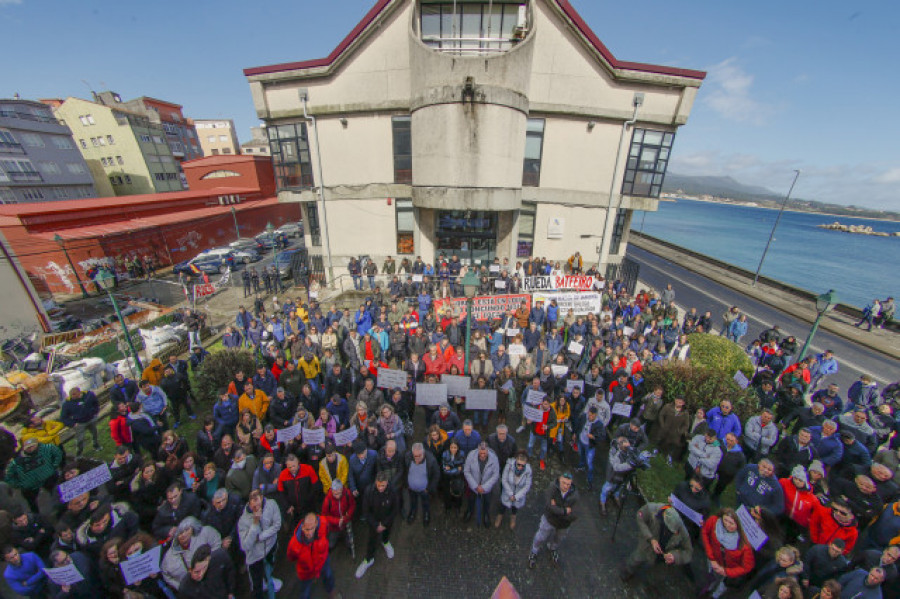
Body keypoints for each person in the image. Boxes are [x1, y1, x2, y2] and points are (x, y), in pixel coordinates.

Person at [620, 503, 693, 581]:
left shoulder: (683, 532)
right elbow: (640, 517)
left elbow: (688, 552)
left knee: (657, 573)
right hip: (647, 545)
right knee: (636, 559)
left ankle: (651, 583)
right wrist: (651, 538)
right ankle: (628, 571)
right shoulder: (652, 509)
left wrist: (674, 556)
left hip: (664, 553)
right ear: (664, 517)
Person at [700, 508, 755, 598]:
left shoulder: (744, 546)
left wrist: (726, 571)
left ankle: (714, 596)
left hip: (727, 570)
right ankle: (708, 588)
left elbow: (747, 566)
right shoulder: (714, 521)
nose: (727, 525)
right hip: (713, 562)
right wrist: (711, 558)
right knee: (710, 576)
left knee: (722, 585)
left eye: (732, 523)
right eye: (725, 520)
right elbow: (705, 532)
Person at [528, 472, 578, 569]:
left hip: (563, 524)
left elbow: (575, 515)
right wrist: (564, 511)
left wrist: (557, 510)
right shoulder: (552, 488)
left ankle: (552, 548)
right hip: (549, 519)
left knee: (558, 539)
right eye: (564, 483)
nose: (566, 486)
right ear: (559, 480)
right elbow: (550, 507)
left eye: (568, 484)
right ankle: (534, 552)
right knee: (540, 537)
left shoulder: (575, 496)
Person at [239, 489, 282, 599]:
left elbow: (277, 525)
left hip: (270, 547)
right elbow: (245, 546)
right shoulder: (243, 521)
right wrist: (255, 523)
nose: (256, 504)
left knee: (269, 572)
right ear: (249, 502)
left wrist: (261, 536)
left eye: (257, 500)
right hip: (255, 557)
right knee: (256, 587)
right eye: (252, 501)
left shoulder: (271, 505)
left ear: (262, 498)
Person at [355, 471, 399, 579]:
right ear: (375, 482)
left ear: (387, 483)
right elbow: (366, 510)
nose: (380, 488)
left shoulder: (393, 491)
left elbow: (395, 508)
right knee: (371, 540)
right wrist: (375, 525)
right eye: (378, 485)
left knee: (387, 533)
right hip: (373, 521)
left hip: (387, 520)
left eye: (383, 485)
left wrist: (384, 523)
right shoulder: (369, 491)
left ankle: (385, 542)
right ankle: (368, 559)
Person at [287, 512, 340, 599]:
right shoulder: (294, 543)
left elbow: (328, 525)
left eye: (311, 528)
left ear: (316, 524)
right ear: (302, 526)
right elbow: (291, 556)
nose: (309, 533)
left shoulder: (323, 523)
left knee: (328, 575)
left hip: (323, 561)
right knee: (305, 591)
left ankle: (331, 591)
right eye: (306, 529)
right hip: (306, 571)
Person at [5, 438, 62, 513]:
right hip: (30, 485)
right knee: (32, 504)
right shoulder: (16, 461)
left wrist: (54, 466)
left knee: (58, 493)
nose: (31, 449)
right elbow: (9, 477)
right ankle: (37, 518)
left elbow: (57, 454)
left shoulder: (45, 449)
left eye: (33, 446)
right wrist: (19, 485)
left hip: (48, 477)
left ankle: (62, 508)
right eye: (28, 447)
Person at [464, 441, 500, 528]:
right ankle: (470, 511)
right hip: (473, 486)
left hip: (486, 487)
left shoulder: (494, 458)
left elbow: (496, 475)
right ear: (478, 450)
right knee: (471, 499)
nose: (482, 455)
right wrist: (475, 486)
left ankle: (486, 515)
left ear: (488, 451)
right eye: (481, 453)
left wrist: (484, 487)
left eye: (484, 453)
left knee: (487, 501)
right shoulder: (471, 455)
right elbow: (466, 471)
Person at [599, 436, 638, 515]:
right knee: (606, 489)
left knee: (619, 488)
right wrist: (629, 465)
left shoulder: (629, 452)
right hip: (612, 476)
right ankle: (602, 503)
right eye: (625, 445)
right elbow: (616, 467)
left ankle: (616, 496)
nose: (627, 447)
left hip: (622, 477)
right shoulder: (615, 452)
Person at [404, 442, 440, 526]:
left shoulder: (431, 460)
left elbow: (436, 475)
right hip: (411, 489)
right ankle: (413, 512)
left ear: (423, 452)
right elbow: (404, 471)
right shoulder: (407, 457)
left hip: (424, 490)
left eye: (419, 456)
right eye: (415, 456)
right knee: (413, 501)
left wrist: (429, 489)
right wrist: (407, 483)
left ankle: (426, 515)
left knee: (426, 503)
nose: (417, 458)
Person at [59, 386, 101, 456]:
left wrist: (95, 412)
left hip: (91, 419)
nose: (73, 396)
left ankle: (96, 445)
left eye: (74, 394)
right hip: (79, 424)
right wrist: (72, 424)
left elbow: (96, 403)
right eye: (71, 394)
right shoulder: (67, 404)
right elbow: (63, 418)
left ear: (79, 393)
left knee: (95, 433)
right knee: (80, 439)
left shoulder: (89, 395)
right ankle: (79, 452)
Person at [496, 450, 532, 529]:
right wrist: (510, 494)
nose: (520, 467)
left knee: (515, 508)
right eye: (519, 464)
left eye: (523, 465)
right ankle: (500, 515)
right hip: (507, 492)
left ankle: (513, 518)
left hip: (518, 495)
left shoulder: (528, 471)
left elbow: (527, 486)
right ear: (516, 461)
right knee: (502, 505)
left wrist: (516, 496)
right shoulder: (509, 466)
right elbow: (504, 480)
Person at [321, 479, 356, 555]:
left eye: (339, 493)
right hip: (334, 527)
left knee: (349, 541)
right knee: (331, 543)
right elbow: (325, 516)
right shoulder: (327, 500)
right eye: (335, 494)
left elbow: (352, 505)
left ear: (342, 489)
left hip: (346, 523)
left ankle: (349, 545)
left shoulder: (347, 494)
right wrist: (337, 521)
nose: (337, 496)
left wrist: (347, 516)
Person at [574, 406, 605, 490]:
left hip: (589, 445)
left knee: (590, 463)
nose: (590, 417)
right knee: (581, 454)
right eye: (589, 414)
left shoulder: (599, 424)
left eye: (592, 415)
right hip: (581, 440)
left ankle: (589, 480)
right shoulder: (584, 417)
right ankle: (581, 466)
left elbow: (602, 436)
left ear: (595, 415)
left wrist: (594, 437)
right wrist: (575, 434)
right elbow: (579, 425)